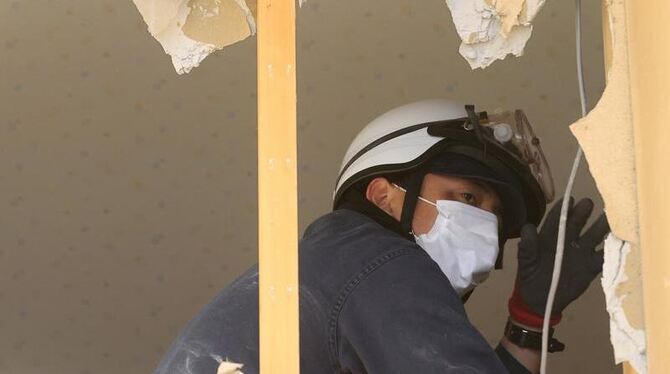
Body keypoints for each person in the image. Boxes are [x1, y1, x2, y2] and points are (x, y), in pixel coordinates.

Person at [154, 99, 609, 374]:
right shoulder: (376, 259)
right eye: (468, 197)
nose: (484, 227)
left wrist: (530, 318)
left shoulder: (330, 268)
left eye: (494, 216)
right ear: (384, 195)